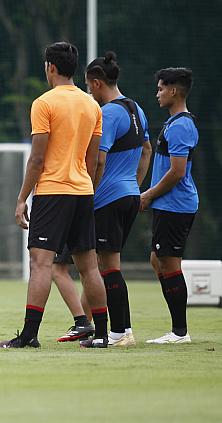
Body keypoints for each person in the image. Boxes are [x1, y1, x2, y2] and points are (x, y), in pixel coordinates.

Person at [1, 42, 109, 349]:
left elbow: (37, 159)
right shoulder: (92, 105)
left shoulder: (44, 103)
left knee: (41, 263)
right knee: (89, 266)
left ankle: (29, 334)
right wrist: (85, 186)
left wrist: (22, 198)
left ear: (50, 66)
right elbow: (96, 160)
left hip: (52, 191)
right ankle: (101, 334)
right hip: (82, 191)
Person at [83, 51, 152, 346]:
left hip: (108, 198)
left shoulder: (108, 113)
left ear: (97, 83)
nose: (88, 92)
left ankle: (120, 333)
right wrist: (134, 187)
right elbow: (147, 151)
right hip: (128, 196)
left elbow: (99, 161)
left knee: (109, 267)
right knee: (108, 265)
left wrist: (90, 193)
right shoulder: (137, 108)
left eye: (88, 86)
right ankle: (118, 331)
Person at [140, 67, 198, 344]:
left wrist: (148, 194)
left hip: (176, 205)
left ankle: (179, 332)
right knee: (158, 260)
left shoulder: (183, 126)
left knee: (169, 263)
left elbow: (177, 172)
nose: (158, 93)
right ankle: (177, 329)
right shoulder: (173, 123)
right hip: (168, 204)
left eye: (162, 88)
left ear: (174, 91)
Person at [51, 250, 94, 342]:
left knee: (57, 269)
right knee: (89, 270)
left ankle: (83, 324)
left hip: (67, 235)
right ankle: (89, 330)